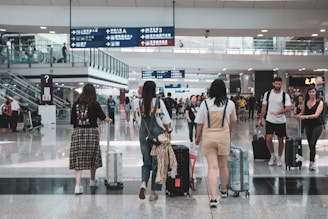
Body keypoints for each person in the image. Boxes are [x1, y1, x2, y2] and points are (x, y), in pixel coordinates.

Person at [195, 79, 237, 208]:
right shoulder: (229, 104)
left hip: (209, 138)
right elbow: (233, 121)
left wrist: (197, 137)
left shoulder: (205, 104)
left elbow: (200, 123)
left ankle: (213, 198)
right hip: (223, 137)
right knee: (223, 166)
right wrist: (227, 130)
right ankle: (223, 190)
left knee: (212, 167)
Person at [70, 83, 111, 195]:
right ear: (93, 93)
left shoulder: (75, 104)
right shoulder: (95, 104)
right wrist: (108, 120)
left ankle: (77, 186)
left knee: (78, 157)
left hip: (78, 132)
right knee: (93, 156)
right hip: (92, 132)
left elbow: (73, 121)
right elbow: (103, 117)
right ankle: (92, 180)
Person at [138, 81, 171, 201]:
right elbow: (165, 119)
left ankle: (143, 184)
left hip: (143, 135)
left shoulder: (139, 102)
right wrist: (168, 129)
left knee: (146, 162)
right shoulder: (158, 102)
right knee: (156, 163)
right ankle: (152, 192)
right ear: (154, 90)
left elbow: (138, 119)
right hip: (156, 137)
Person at [257, 77, 292, 166]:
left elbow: (288, 108)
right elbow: (264, 107)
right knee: (268, 138)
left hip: (281, 120)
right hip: (270, 119)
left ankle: (279, 157)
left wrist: (278, 112)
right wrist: (260, 119)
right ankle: (273, 155)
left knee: (281, 140)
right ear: (273, 84)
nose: (278, 85)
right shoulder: (268, 94)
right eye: (276, 84)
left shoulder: (285, 95)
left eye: (279, 84)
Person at [296, 87, 323, 171]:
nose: (312, 93)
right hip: (308, 126)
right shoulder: (305, 102)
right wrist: (299, 115)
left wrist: (304, 117)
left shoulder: (319, 103)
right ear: (308, 93)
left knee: (312, 143)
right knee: (310, 144)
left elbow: (316, 115)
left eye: (313, 92)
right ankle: (312, 160)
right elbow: (302, 112)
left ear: (315, 93)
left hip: (317, 125)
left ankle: (312, 162)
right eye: (310, 92)